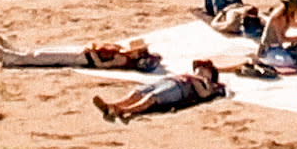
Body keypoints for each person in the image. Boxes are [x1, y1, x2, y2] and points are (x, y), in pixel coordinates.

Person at [97, 59, 227, 123]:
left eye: (203, 67)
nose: (199, 68)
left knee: (152, 97)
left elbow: (204, 94)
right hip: (170, 81)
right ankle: (113, 106)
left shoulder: (203, 81)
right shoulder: (194, 76)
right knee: (138, 93)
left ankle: (124, 110)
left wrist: (207, 84)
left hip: (179, 87)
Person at [0, 40, 159, 70]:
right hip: (83, 51)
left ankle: (14, 59)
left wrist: (91, 54)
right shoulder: (120, 50)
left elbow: (101, 65)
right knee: (48, 52)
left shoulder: (121, 59)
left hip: (82, 58)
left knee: (45, 57)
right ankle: (19, 52)